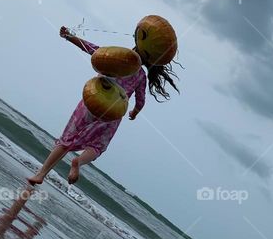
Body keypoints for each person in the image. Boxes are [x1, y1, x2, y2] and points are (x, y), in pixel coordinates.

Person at [28, 26, 178, 186]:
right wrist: (134, 112)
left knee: (67, 140)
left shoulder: (116, 57)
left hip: (93, 101)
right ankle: (77, 162)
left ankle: (40, 174)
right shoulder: (141, 75)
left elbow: (91, 49)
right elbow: (141, 100)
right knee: (97, 146)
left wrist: (69, 36)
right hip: (112, 113)